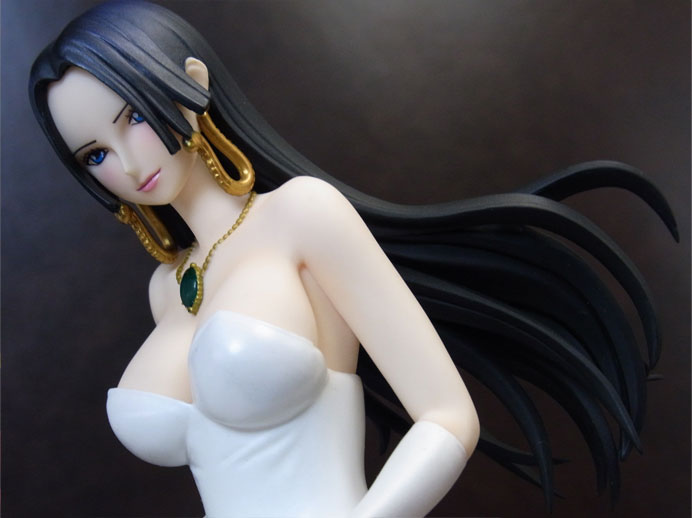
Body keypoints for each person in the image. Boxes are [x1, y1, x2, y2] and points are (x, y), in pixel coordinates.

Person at [29, 1, 677, 516]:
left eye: (134, 117)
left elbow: (448, 417)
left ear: (189, 86)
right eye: (95, 154)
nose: (127, 163)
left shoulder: (303, 215)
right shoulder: (167, 288)